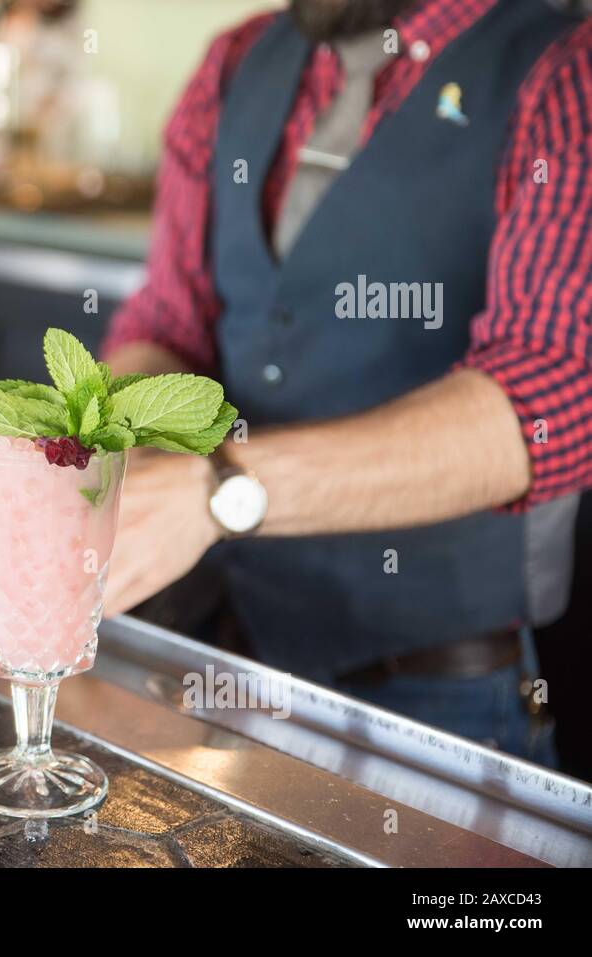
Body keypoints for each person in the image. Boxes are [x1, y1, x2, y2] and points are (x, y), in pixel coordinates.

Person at [100, 0, 592, 765]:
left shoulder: (566, 67)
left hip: (435, 704)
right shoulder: (235, 62)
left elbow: (547, 395)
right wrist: (118, 453)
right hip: (216, 655)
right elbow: (169, 320)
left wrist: (220, 491)